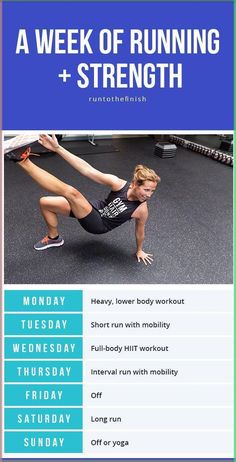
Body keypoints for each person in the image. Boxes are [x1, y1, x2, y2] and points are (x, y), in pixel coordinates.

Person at [7, 134, 161, 265]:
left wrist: (139, 250)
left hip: (99, 224)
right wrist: (58, 148)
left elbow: (140, 232)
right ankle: (54, 238)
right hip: (94, 208)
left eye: (152, 191)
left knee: (71, 192)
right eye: (146, 189)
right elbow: (87, 170)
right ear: (134, 184)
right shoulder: (119, 184)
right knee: (46, 203)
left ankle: (23, 161)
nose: (149, 195)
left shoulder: (141, 209)